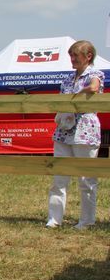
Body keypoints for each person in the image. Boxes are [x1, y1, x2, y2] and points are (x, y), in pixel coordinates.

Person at [46, 40, 104, 229]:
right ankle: (54, 219)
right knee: (59, 177)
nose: (72, 59)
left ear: (88, 56)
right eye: (71, 56)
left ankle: (86, 221)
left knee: (86, 180)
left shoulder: (95, 74)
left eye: (76, 56)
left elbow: (94, 88)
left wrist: (78, 94)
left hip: (85, 132)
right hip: (64, 131)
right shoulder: (67, 79)